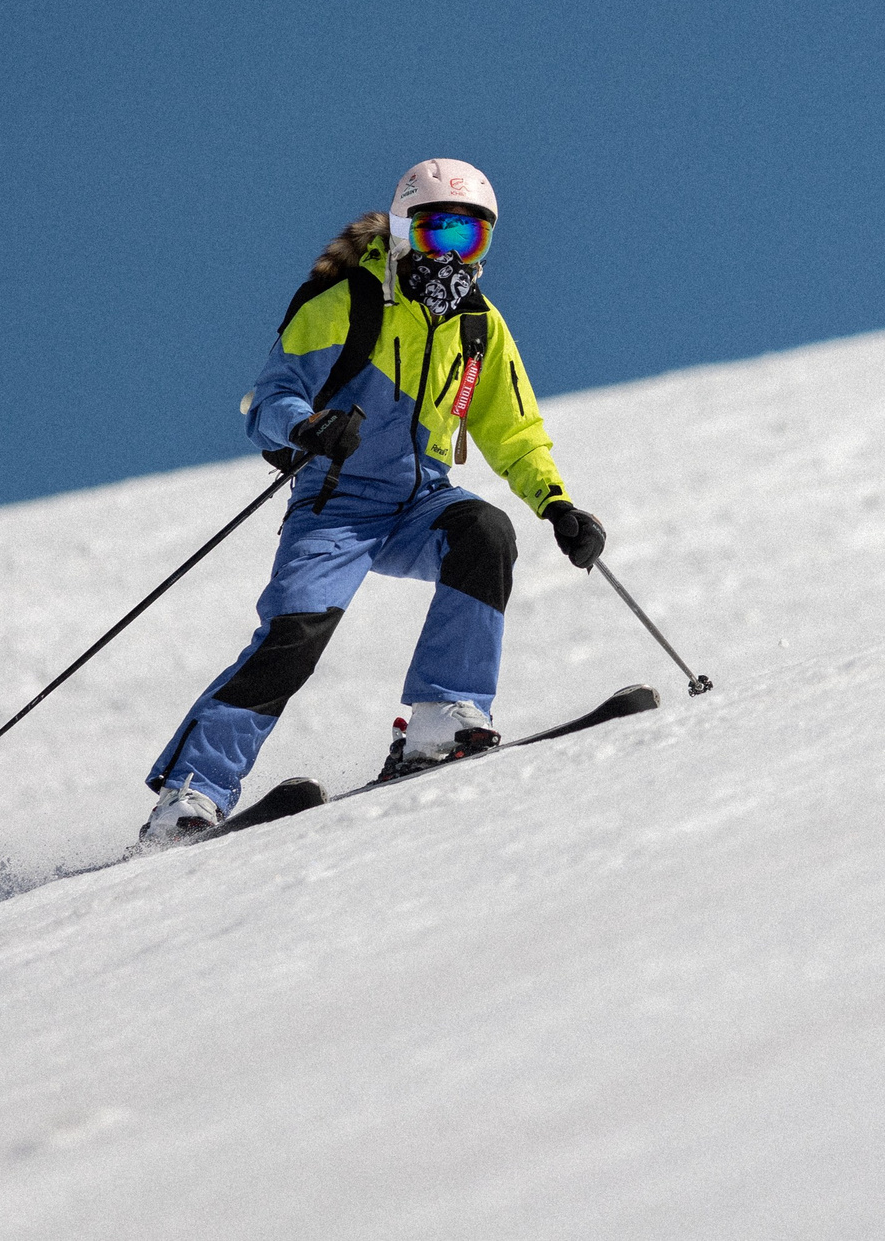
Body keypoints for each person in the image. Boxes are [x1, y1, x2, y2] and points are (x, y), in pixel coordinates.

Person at [138, 158, 607, 845]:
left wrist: (558, 504)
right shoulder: (346, 303)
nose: (451, 253)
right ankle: (191, 793)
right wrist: (309, 425)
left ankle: (443, 715)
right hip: (337, 504)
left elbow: (514, 428)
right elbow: (269, 399)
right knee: (293, 637)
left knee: (484, 532)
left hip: (421, 504)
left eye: (469, 239)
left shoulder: (478, 328)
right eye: (438, 230)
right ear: (402, 228)